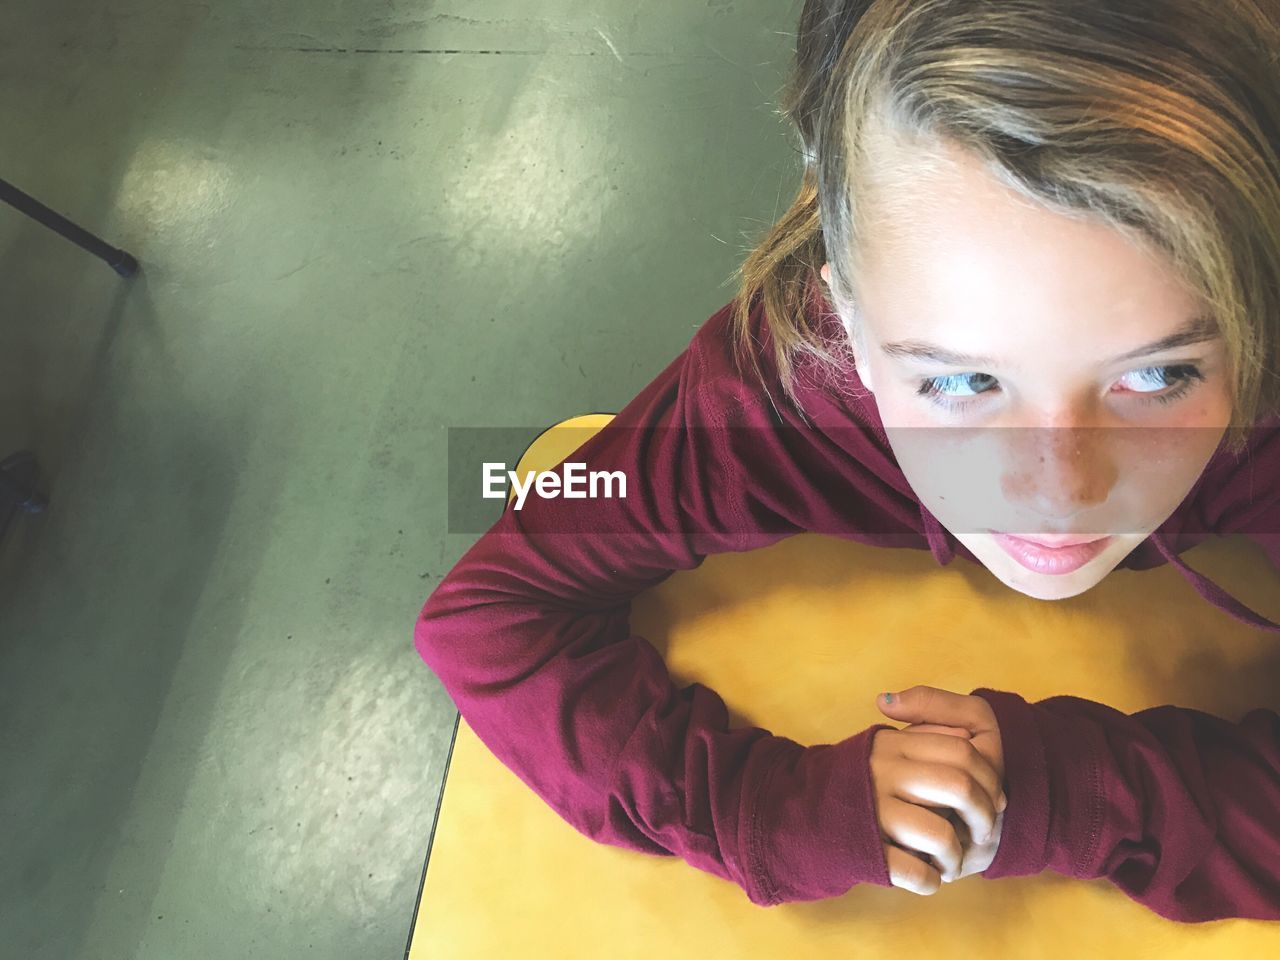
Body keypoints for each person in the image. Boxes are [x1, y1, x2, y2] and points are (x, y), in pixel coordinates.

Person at [416, 0, 1280, 922]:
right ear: (851, 327)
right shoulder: (769, 397)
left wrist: (1079, 794)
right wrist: (768, 811)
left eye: (1159, 373)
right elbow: (489, 615)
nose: (1061, 495)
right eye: (958, 384)